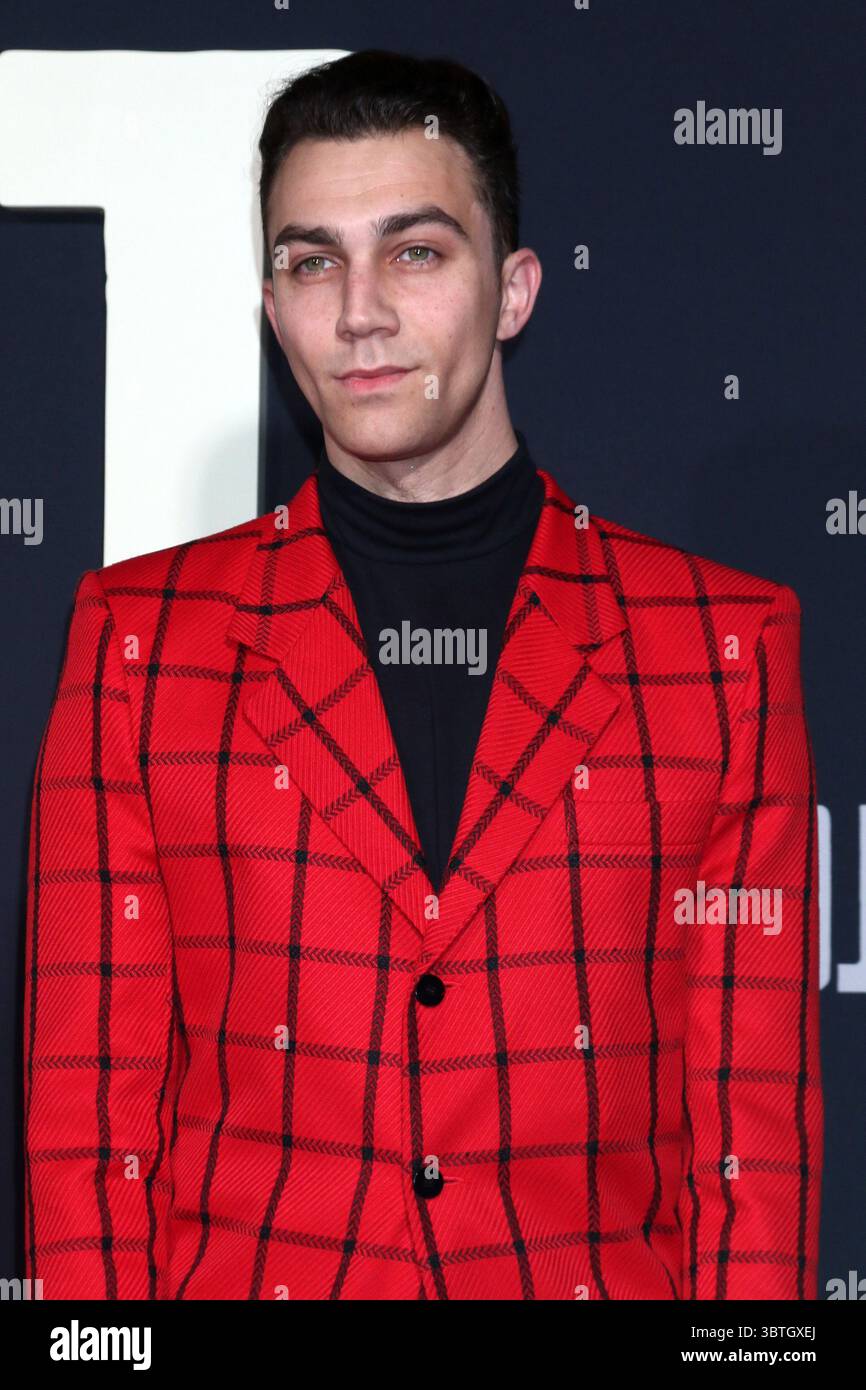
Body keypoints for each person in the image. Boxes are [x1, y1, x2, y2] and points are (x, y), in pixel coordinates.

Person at [23, 48, 822, 1300]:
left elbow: (745, 1139)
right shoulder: (140, 638)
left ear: (511, 291)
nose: (358, 313)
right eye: (309, 260)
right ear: (271, 302)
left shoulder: (719, 647)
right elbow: (87, 1121)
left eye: (413, 252)